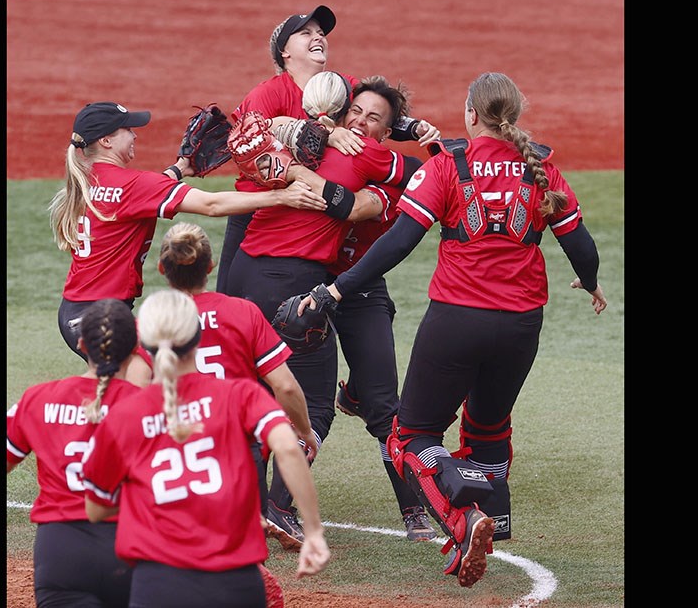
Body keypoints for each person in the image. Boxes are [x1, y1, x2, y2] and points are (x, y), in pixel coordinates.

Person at [299, 72, 608, 588]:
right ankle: (494, 516)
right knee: (488, 428)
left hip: (456, 320)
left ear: (470, 114)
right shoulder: (542, 169)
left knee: (412, 435)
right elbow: (582, 245)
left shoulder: (449, 166)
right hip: (521, 326)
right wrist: (591, 283)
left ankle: (465, 523)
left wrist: (336, 290)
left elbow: (395, 245)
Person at [225, 72, 437, 547]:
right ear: (337, 117)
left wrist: (298, 165)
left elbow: (353, 205)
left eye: (375, 118)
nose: (361, 122)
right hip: (298, 282)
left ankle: (410, 508)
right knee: (314, 406)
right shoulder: (333, 145)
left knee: (371, 401)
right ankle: (276, 507)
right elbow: (356, 198)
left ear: (389, 129)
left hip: (340, 286)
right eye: (354, 113)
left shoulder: (303, 146)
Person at [81, 289, 330, 608]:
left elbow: (96, 509)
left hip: (157, 585)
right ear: (197, 338)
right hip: (235, 582)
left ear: (142, 344)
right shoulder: (240, 395)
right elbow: (288, 448)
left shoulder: (124, 415)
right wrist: (312, 531)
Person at [49, 100, 326, 368]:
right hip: (100, 317)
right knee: (153, 381)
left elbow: (140, 194)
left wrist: (180, 169)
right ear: (106, 141)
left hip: (79, 311)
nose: (134, 135)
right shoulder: (131, 185)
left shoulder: (89, 180)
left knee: (138, 384)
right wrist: (281, 196)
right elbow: (212, 205)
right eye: (127, 130)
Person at [215, 5, 433, 295]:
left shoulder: (341, 85)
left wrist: (415, 127)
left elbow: (379, 110)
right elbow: (248, 149)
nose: (317, 36)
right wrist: (323, 132)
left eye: (320, 32)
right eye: (305, 33)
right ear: (285, 52)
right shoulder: (267, 94)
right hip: (258, 209)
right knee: (229, 296)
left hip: (318, 215)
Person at [157, 220, 317, 550]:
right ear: (210, 266)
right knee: (245, 557)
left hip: (178, 452)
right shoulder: (242, 312)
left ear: (162, 269)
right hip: (238, 452)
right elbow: (284, 386)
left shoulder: (153, 319)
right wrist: (303, 431)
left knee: (181, 549)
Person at [6, 299, 144, 607]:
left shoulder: (37, 399)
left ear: (81, 344)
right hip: (131, 551)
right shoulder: (152, 409)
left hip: (60, 554)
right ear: (135, 349)